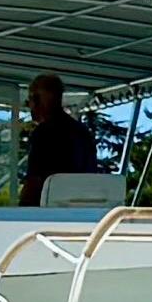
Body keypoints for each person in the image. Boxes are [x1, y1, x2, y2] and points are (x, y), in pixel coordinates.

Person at [19, 72, 98, 206]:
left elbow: (34, 182)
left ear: (38, 100)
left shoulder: (43, 133)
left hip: (48, 213)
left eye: (29, 101)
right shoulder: (83, 132)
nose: (30, 107)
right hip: (80, 210)